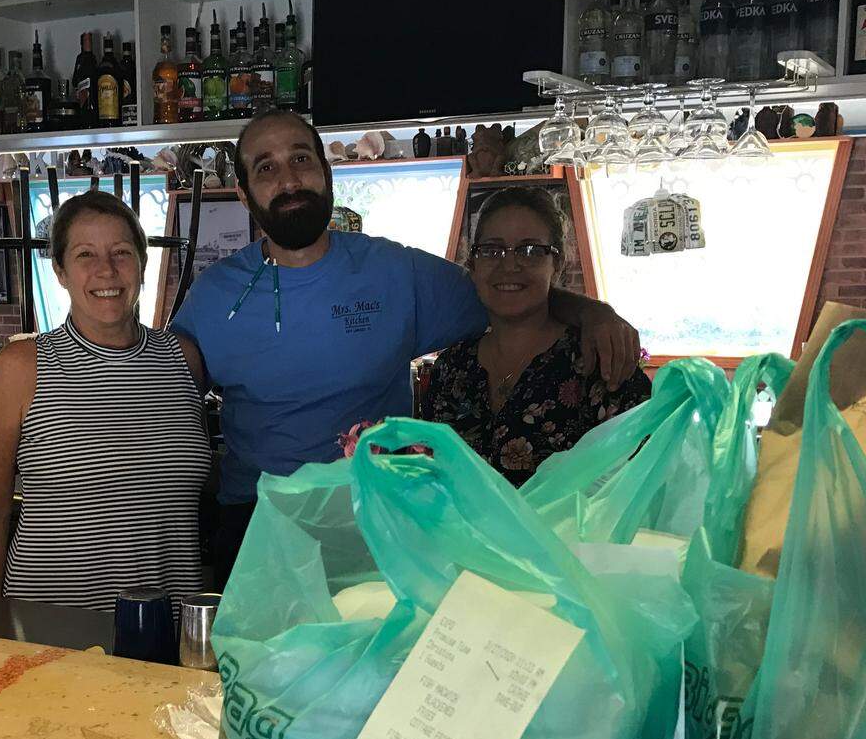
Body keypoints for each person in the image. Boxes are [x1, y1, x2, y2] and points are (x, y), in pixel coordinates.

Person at [172, 108, 642, 586]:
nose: (289, 180)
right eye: (266, 168)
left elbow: (506, 289)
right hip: (259, 526)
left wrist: (593, 313)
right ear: (244, 194)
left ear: (327, 174)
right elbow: (156, 383)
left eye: (301, 159)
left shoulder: (397, 272)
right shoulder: (213, 296)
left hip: (377, 523)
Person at [0, 190, 210, 611]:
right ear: (60, 271)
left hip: (166, 637)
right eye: (85, 255)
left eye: (121, 253)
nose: (106, 270)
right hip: (52, 637)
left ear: (142, 264)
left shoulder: (182, 360)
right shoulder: (23, 368)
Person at [423, 186, 651, 486]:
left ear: (557, 264)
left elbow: (641, 490)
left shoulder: (598, 364)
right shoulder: (452, 370)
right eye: (492, 250)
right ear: (473, 264)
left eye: (530, 250)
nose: (509, 264)